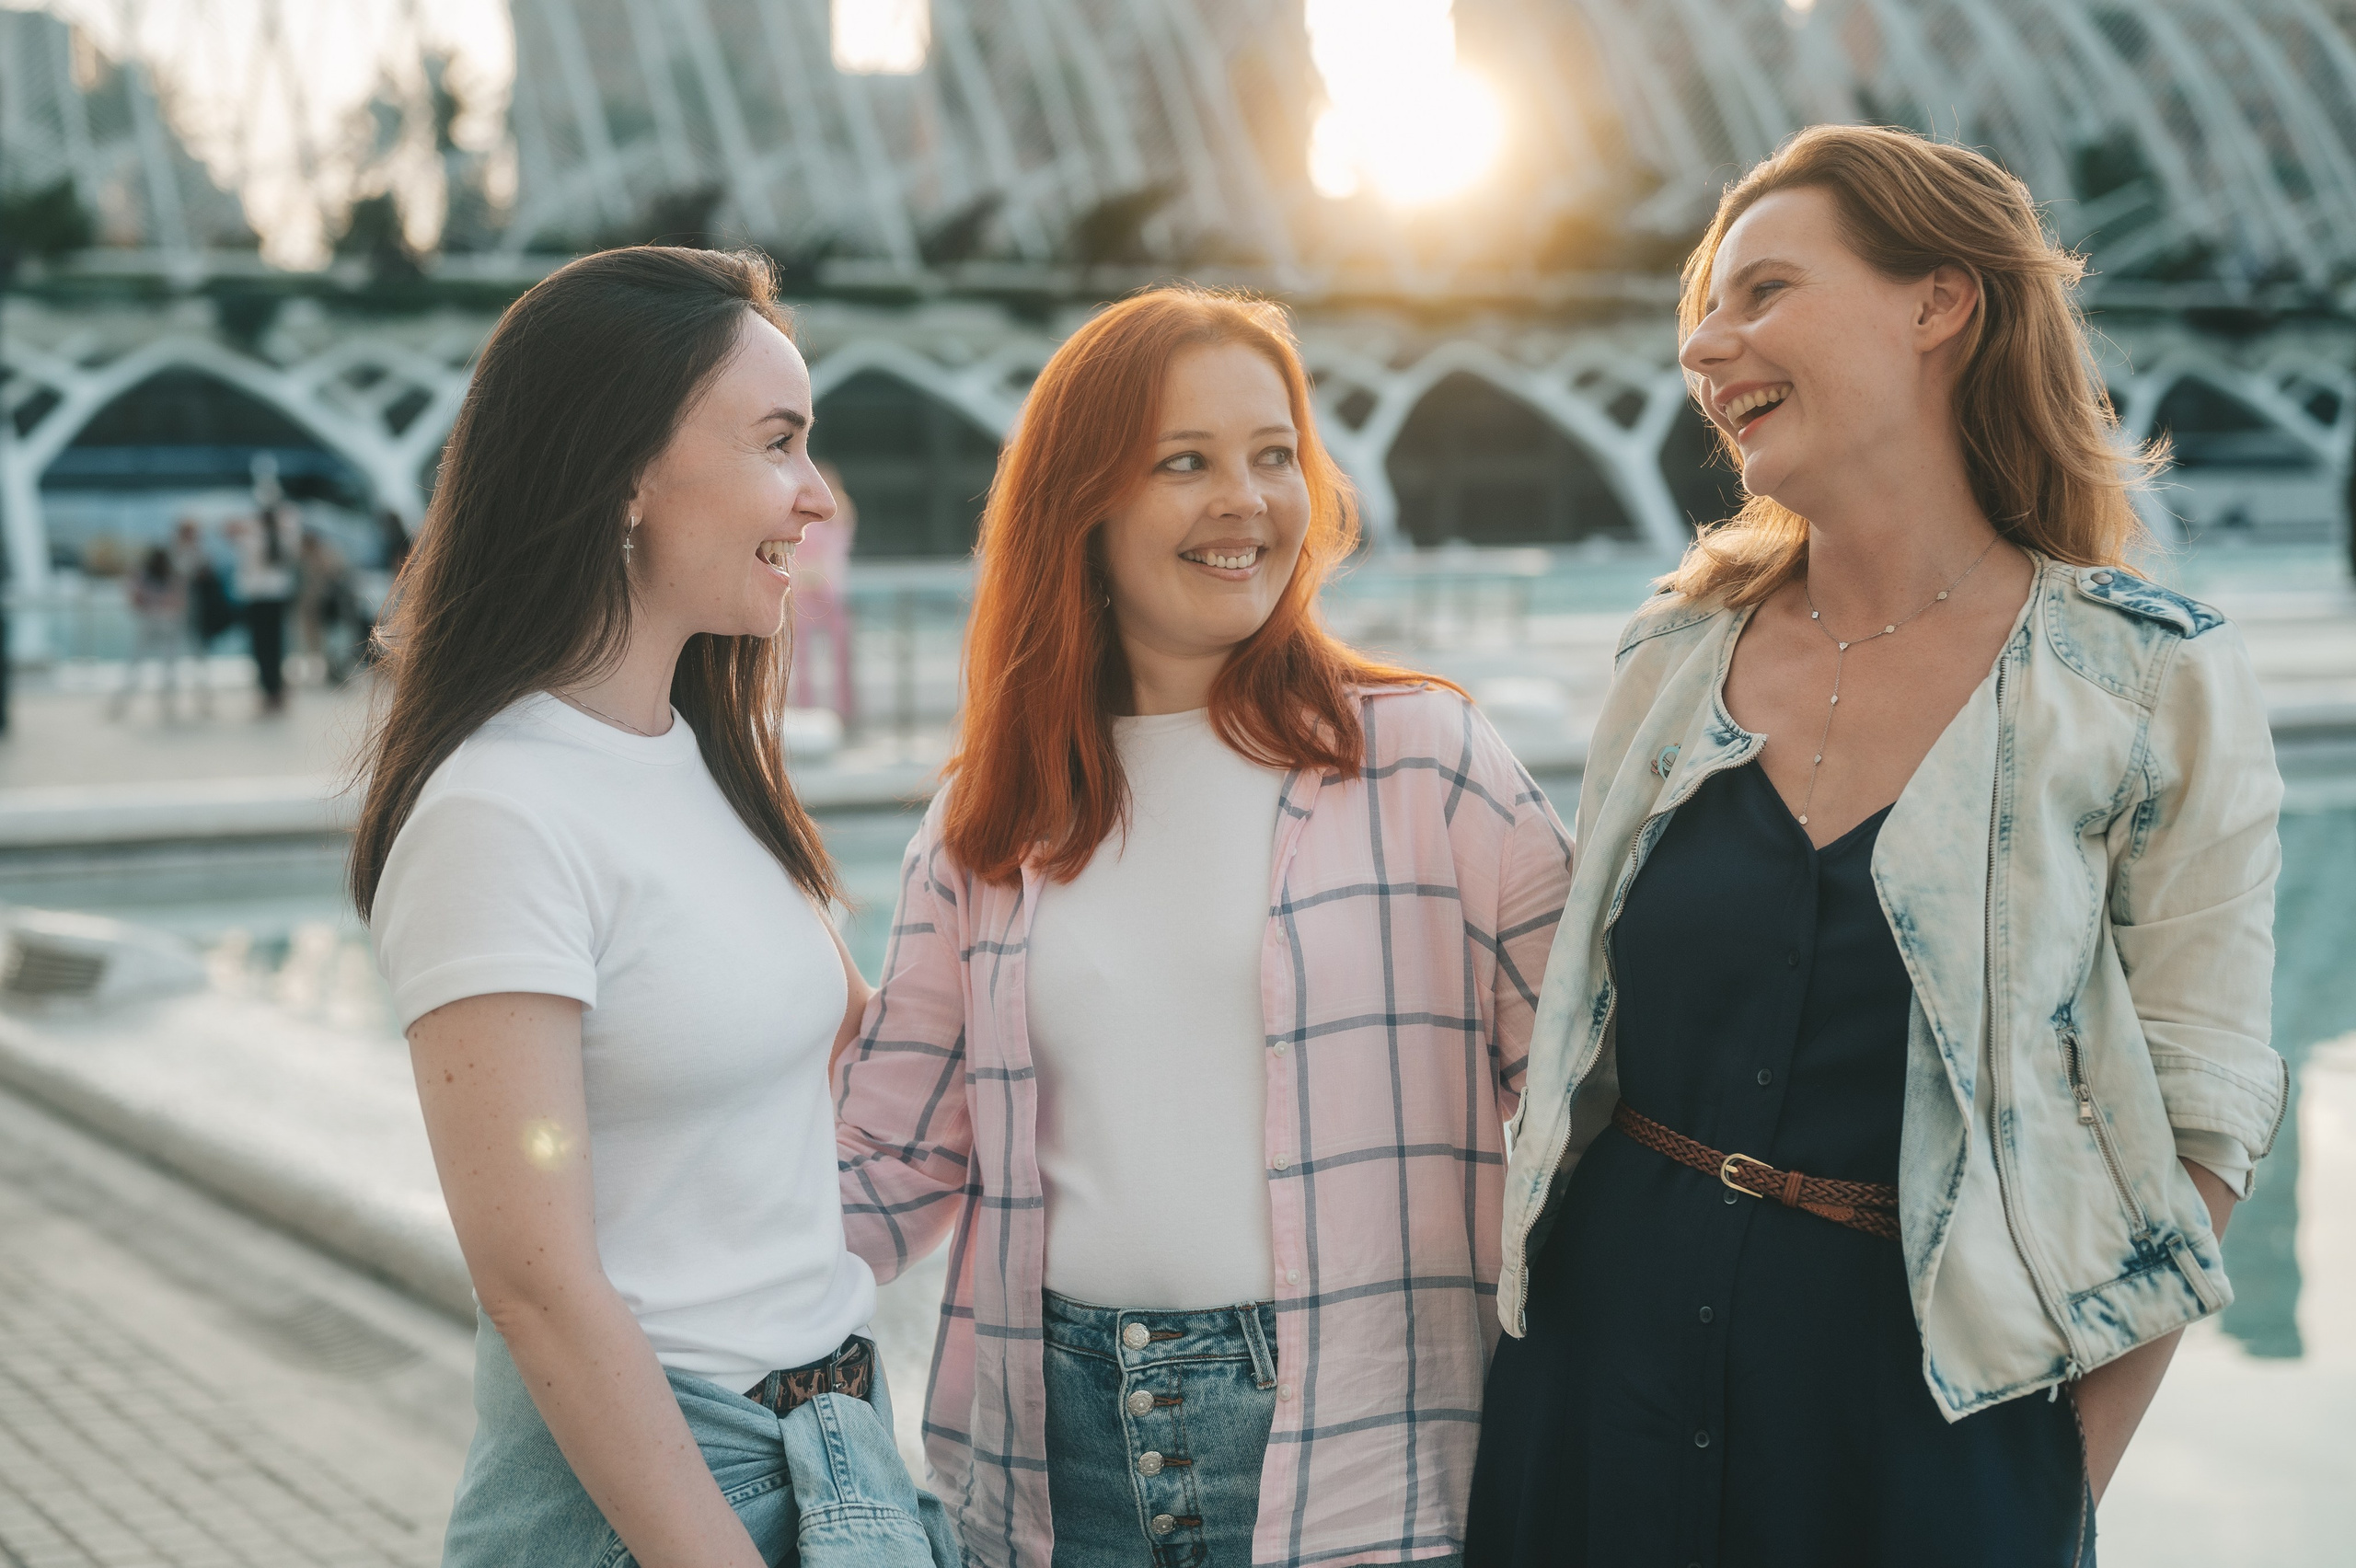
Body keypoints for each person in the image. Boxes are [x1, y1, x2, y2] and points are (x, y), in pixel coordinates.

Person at [1471, 125, 2285, 1568]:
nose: (1704, 347)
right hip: (1598, 1407)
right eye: (1704, 312)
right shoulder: (1671, 658)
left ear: (1939, 303)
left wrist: (2046, 1489)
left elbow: (2203, 1117)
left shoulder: (2146, 682)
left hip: (1928, 1451)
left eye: (1764, 291)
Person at [833, 285, 1574, 1567]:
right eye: (1185, 463)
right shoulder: (985, 823)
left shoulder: (1426, 763)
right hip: (1055, 1462)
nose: (1247, 501)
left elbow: (1592, 1100)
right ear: (1082, 506)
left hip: (1362, 1454)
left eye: (1273, 456)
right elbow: (889, 1162)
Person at [350, 247, 957, 1568]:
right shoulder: (498, 812)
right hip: (656, 1506)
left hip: (839, 1456)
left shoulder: (705, 763)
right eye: (779, 443)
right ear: (625, 469)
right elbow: (539, 1288)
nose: (817, 495)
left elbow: (873, 1072)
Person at [790, 460, 858, 727]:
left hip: (828, 592)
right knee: (803, 656)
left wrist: (815, 573)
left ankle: (842, 710)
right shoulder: (810, 516)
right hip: (806, 592)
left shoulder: (838, 516)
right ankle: (807, 711)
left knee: (838, 655)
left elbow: (835, 556)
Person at [235, 480, 300, 713]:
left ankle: (274, 688)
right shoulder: (260, 531)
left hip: (269, 594)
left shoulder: (280, 530)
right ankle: (270, 688)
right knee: (266, 644)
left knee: (271, 644)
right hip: (263, 594)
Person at [111, 544, 191, 720]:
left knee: (138, 665)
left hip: (151, 623)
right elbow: (179, 602)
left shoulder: (145, 577)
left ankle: (124, 704)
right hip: (166, 623)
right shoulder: (171, 576)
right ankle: (166, 705)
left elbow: (135, 600)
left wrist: (150, 605)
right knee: (165, 666)